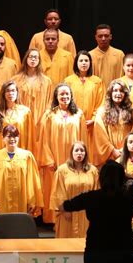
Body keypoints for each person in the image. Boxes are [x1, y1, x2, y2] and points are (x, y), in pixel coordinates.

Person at [58, 160, 133, 263]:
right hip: (123, 251)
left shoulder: (91, 197)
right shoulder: (128, 196)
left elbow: (63, 206)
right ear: (121, 178)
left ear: (101, 178)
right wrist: (118, 172)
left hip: (96, 252)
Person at [37, 83, 87, 223]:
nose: (64, 97)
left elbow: (83, 138)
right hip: (55, 157)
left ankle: (75, 217)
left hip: (74, 158)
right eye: (61, 94)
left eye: (67, 94)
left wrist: (81, 159)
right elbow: (44, 139)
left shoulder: (79, 114)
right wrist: (48, 159)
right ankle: (54, 219)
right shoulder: (49, 115)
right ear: (56, 97)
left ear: (71, 96)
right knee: (55, 187)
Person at [0, 125, 43, 218]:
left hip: (22, 204)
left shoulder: (27, 156)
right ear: (3, 138)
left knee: (20, 229)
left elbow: (32, 180)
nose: (12, 139)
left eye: (15, 136)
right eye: (9, 136)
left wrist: (32, 202)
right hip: (2, 204)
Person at [50, 141, 99, 238]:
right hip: (67, 215)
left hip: (86, 215)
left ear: (86, 153)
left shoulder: (93, 171)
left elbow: (96, 191)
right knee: (67, 243)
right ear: (71, 153)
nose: (79, 153)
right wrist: (65, 209)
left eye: (82, 150)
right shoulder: (62, 170)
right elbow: (58, 192)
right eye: (76, 150)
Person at [64, 50, 105, 149]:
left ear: (90, 63)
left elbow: (101, 103)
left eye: (86, 60)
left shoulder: (97, 82)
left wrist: (94, 119)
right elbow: (64, 101)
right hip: (73, 122)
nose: (83, 63)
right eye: (81, 60)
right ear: (76, 63)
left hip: (91, 124)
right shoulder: (68, 81)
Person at [92, 79, 133, 168]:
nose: (118, 93)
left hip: (127, 152)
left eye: (121, 91)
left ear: (125, 94)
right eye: (115, 90)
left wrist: (125, 149)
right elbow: (100, 134)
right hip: (109, 155)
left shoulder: (132, 112)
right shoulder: (102, 111)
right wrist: (112, 150)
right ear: (110, 93)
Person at [0, 80, 34, 157]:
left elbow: (30, 137)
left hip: (20, 153)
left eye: (13, 90)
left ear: (17, 93)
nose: (10, 93)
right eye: (7, 91)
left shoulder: (25, 112)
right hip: (1, 154)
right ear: (3, 94)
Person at [11, 48, 53, 128]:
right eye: (30, 57)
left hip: (40, 120)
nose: (33, 59)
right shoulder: (15, 80)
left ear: (39, 60)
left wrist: (45, 118)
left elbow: (50, 101)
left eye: (35, 57)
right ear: (26, 59)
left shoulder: (46, 81)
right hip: (21, 119)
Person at [89, 24, 125, 89]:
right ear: (96, 37)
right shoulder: (90, 55)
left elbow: (125, 77)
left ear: (110, 36)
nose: (103, 38)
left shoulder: (119, 54)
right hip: (97, 93)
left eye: (106, 36)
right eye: (100, 36)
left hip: (115, 93)